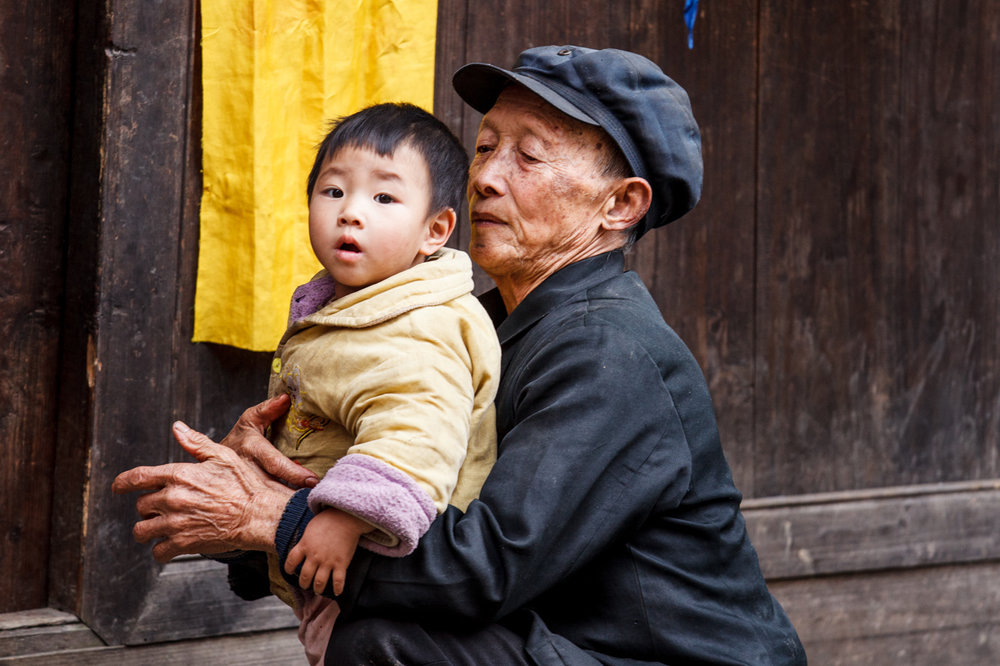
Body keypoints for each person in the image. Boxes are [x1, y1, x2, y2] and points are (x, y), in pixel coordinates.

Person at [114, 45, 807, 665]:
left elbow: (481, 568)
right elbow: (396, 491)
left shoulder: (611, 351)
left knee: (387, 643)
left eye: (527, 157)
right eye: (484, 149)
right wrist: (259, 490)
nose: (484, 179)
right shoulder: (468, 323)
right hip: (560, 641)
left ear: (620, 205)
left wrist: (271, 519)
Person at [213, 102, 502, 663]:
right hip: (331, 556)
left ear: (435, 230)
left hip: (384, 561)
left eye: (384, 198)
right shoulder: (358, 305)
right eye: (334, 192)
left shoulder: (420, 324)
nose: (351, 214)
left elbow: (416, 430)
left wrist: (347, 519)